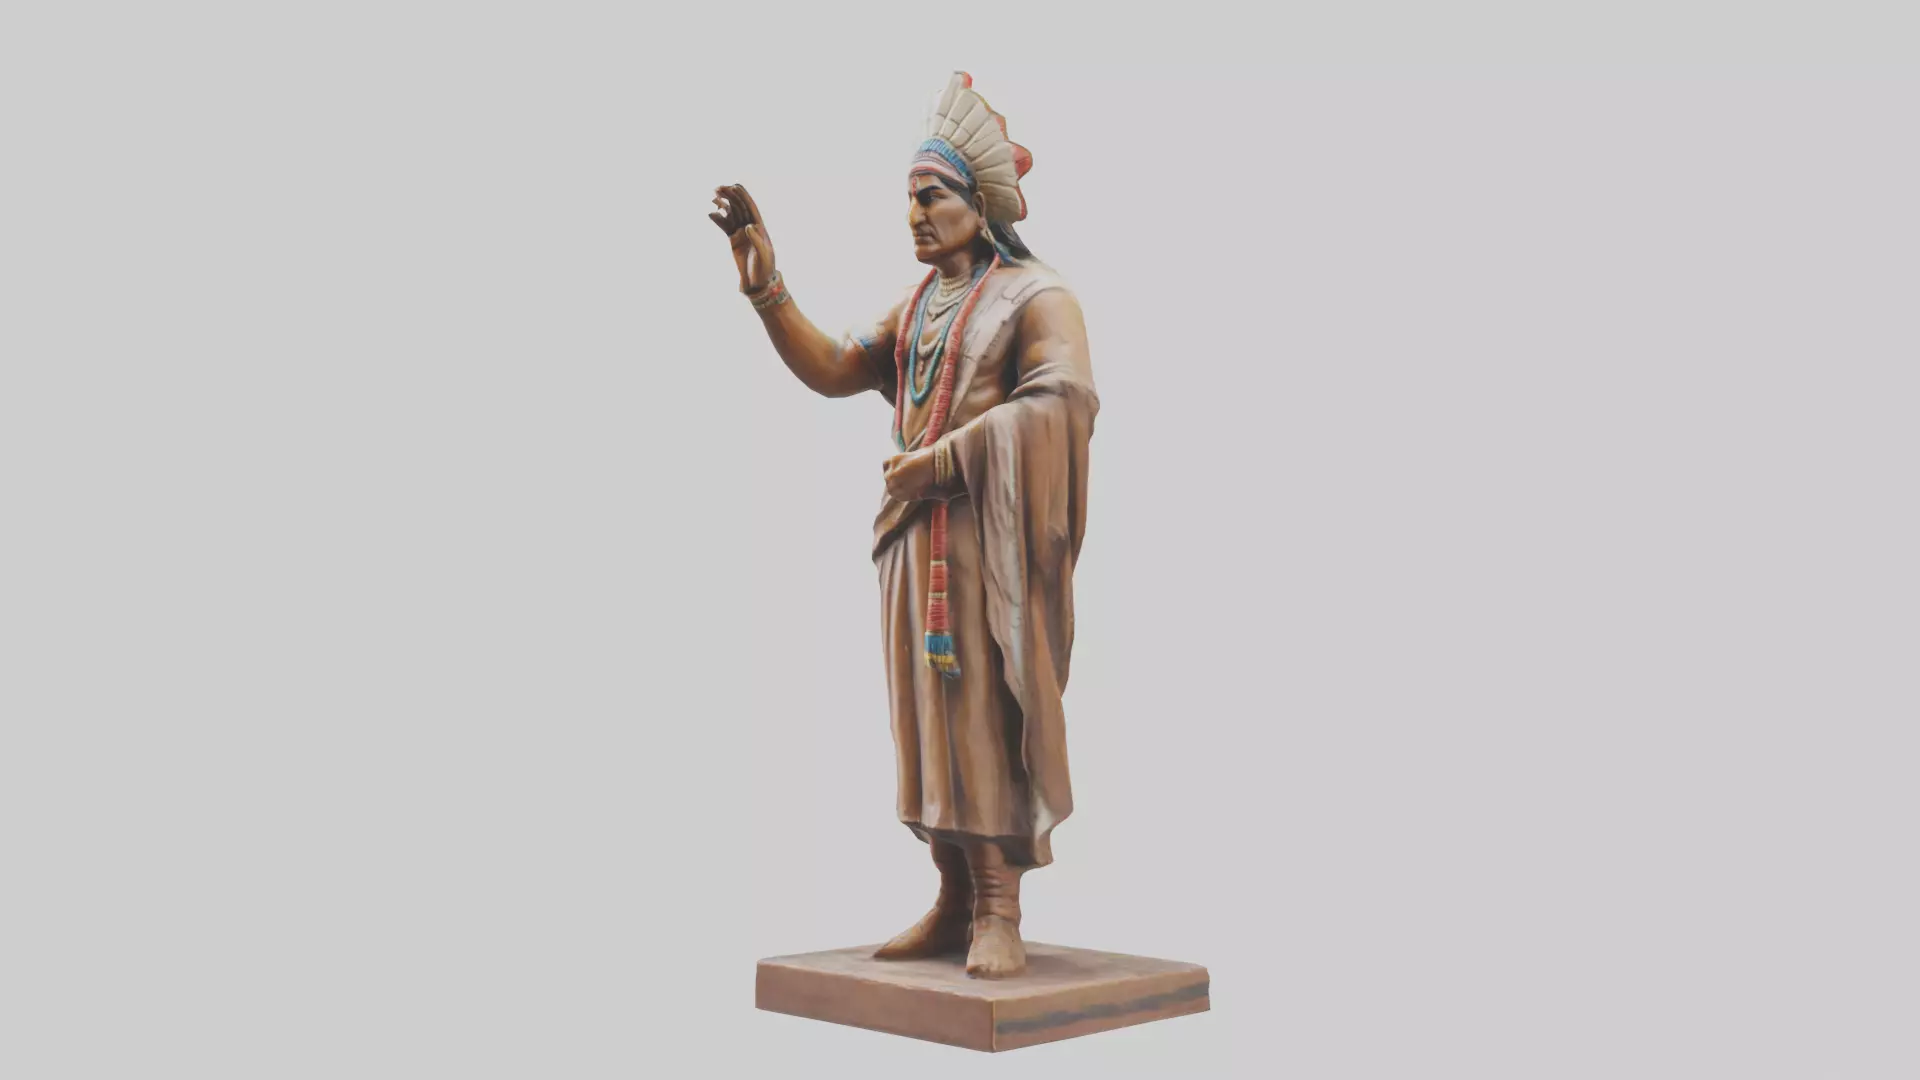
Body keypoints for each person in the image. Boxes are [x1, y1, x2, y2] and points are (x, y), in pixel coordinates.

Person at [709, 72, 1097, 979]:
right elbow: (839, 366)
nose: (916, 215)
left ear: (979, 205)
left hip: (989, 551)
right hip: (912, 546)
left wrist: (948, 462)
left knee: (982, 714)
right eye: (910, 198)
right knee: (925, 722)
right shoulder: (920, 304)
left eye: (933, 196)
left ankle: (999, 904)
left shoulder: (1037, 298)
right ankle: (953, 896)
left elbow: (1064, 402)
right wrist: (769, 291)